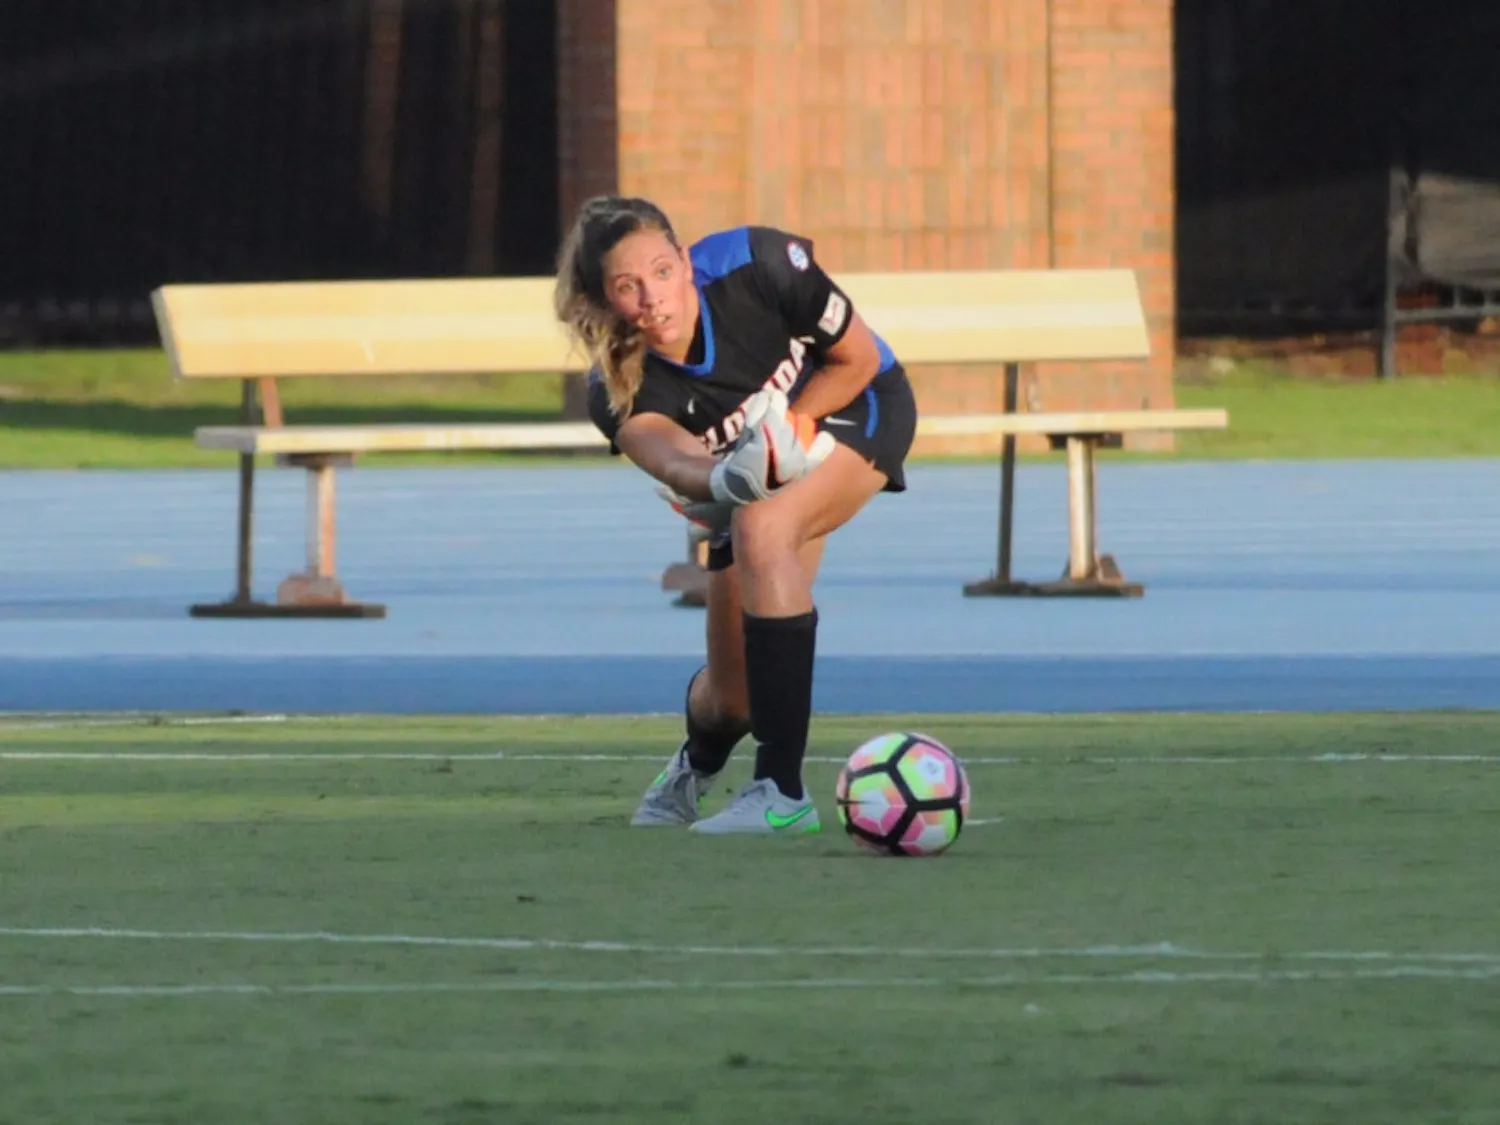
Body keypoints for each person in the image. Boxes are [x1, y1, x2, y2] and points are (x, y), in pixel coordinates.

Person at [553, 195, 917, 835]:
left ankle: (780, 792)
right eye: (627, 286)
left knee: (763, 525)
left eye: (663, 272)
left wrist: (783, 435)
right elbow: (678, 466)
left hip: (859, 399)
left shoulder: (759, 262)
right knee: (731, 698)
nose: (652, 298)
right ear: (602, 299)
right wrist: (727, 475)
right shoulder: (615, 390)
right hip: (749, 472)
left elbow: (855, 359)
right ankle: (697, 762)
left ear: (685, 263)